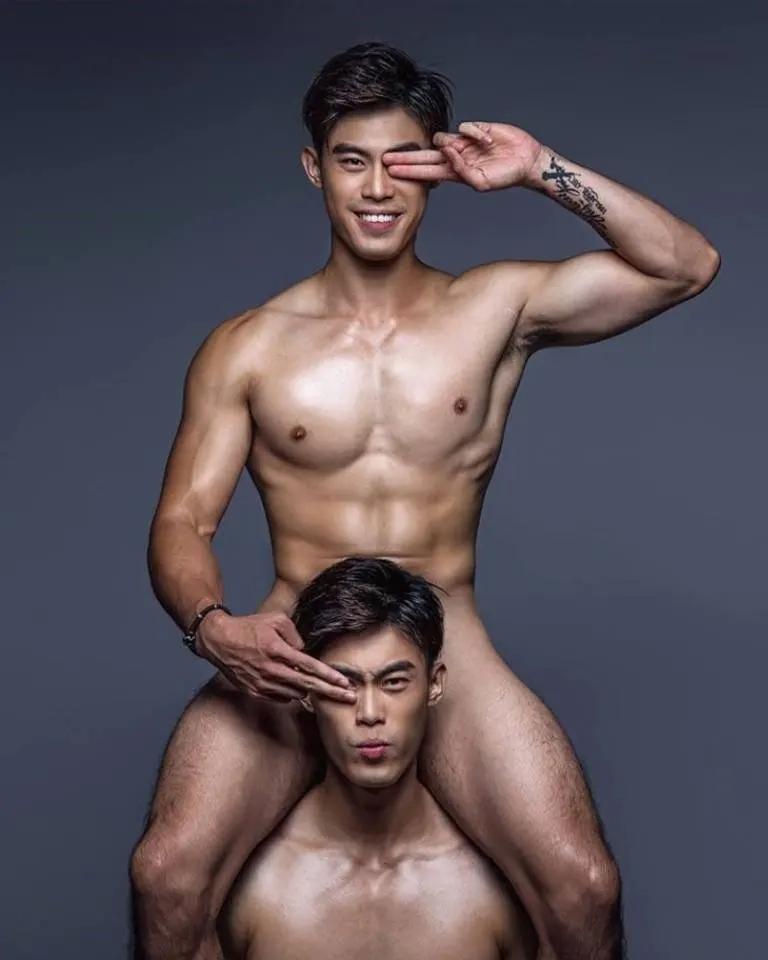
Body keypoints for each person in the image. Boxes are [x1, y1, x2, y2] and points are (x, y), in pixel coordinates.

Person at [130, 41, 720, 960]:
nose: (377, 189)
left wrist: (539, 168)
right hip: (297, 643)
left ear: (437, 168)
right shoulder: (246, 347)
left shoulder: (494, 310)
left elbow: (684, 265)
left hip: (448, 635)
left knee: (582, 885)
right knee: (167, 875)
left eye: (402, 162)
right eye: (352, 161)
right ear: (314, 168)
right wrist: (212, 627)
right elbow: (182, 521)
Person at [218, 556, 538, 960]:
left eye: (394, 682)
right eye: (343, 684)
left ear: (434, 685)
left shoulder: (494, 889)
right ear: (307, 693)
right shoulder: (252, 888)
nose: (369, 713)